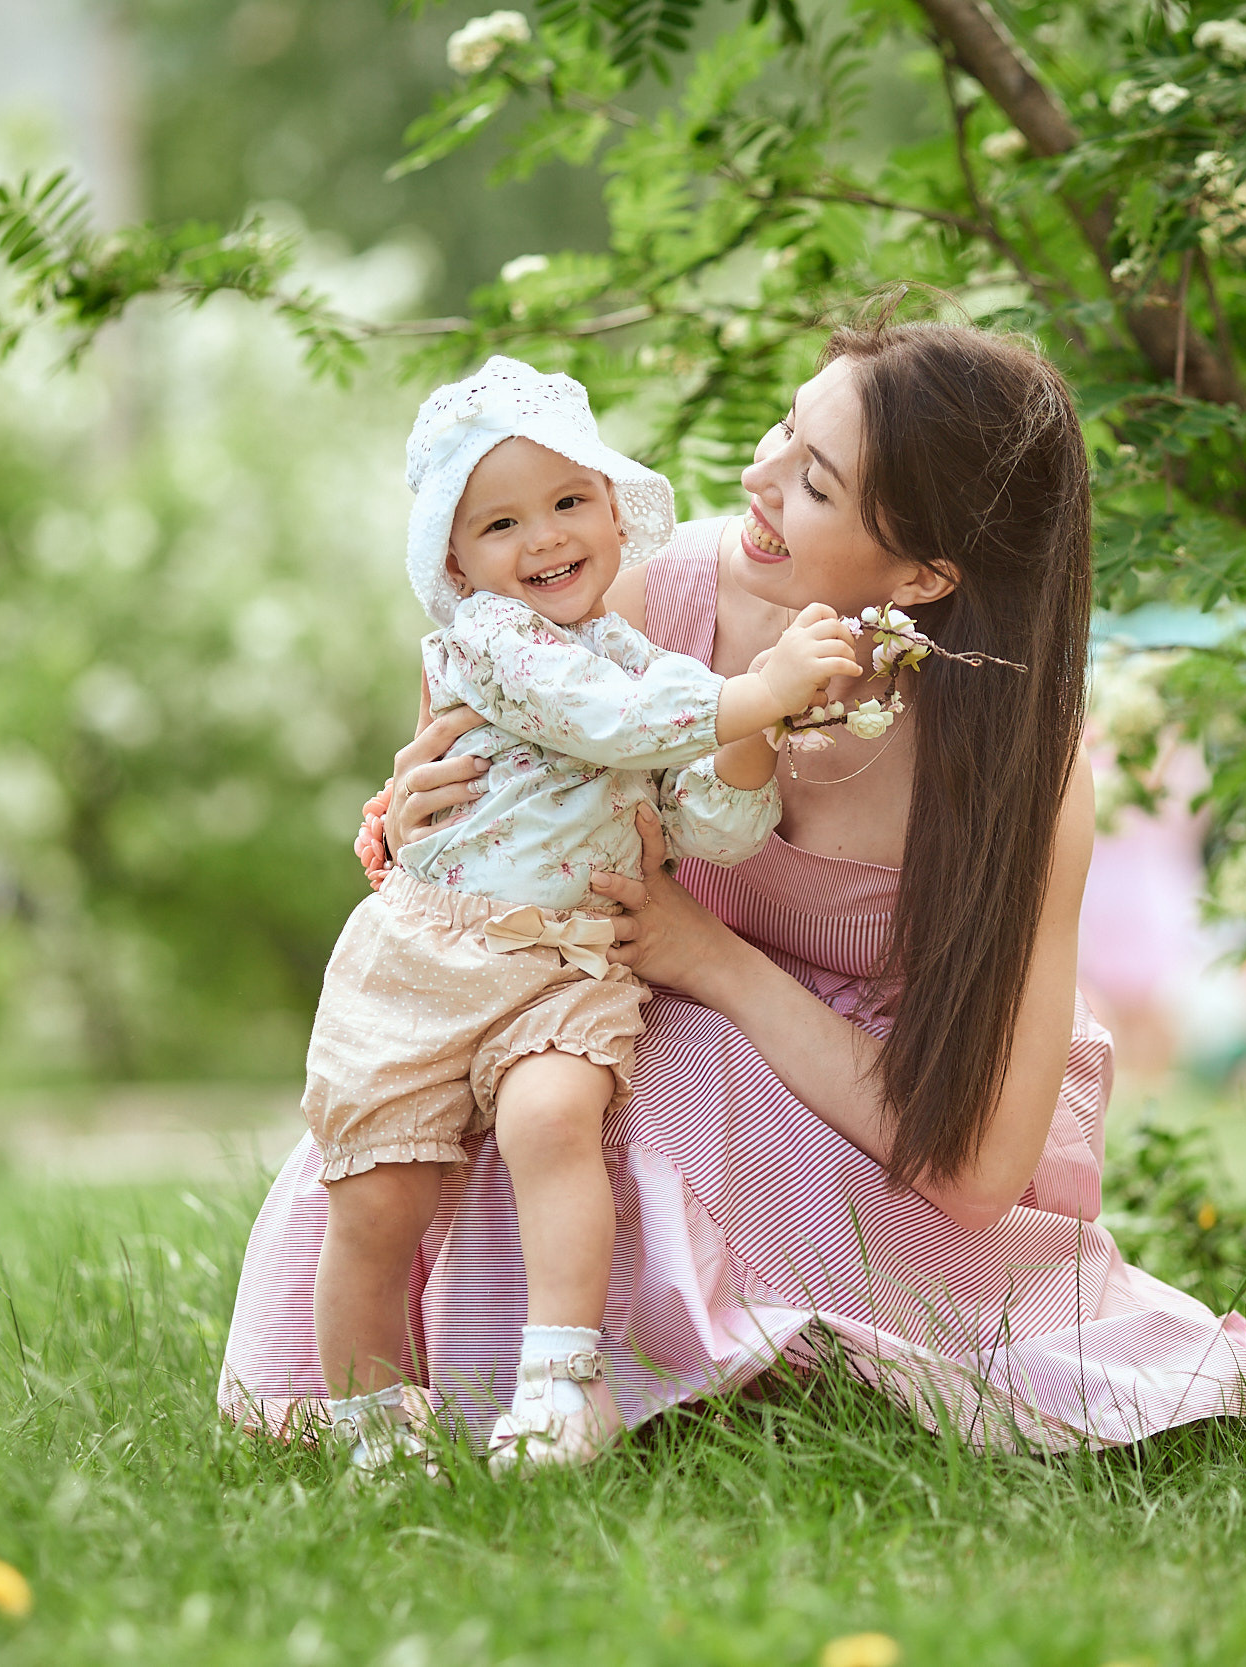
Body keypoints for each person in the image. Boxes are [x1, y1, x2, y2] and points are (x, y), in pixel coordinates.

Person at [226, 321, 1246, 1459]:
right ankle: (490, 1382)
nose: (755, 476)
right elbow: (488, 810)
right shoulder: (641, 605)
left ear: (926, 574)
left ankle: (695, 1359)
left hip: (850, 1112)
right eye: (786, 425)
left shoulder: (1016, 776)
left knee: (668, 1069)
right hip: (598, 1023)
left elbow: (979, 1167)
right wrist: (409, 814)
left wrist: (713, 957)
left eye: (814, 480)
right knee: (527, 1088)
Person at [305, 356, 865, 1475]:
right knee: (378, 1199)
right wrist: (755, 690)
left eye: (569, 501)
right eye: (500, 522)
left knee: (556, 1120)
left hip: (563, 969)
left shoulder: (635, 661)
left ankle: (562, 1385)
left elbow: (714, 825)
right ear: (456, 562)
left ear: (614, 511)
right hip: (432, 959)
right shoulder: (497, 648)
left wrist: (746, 728)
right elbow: (612, 722)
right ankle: (374, 1422)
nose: (545, 536)